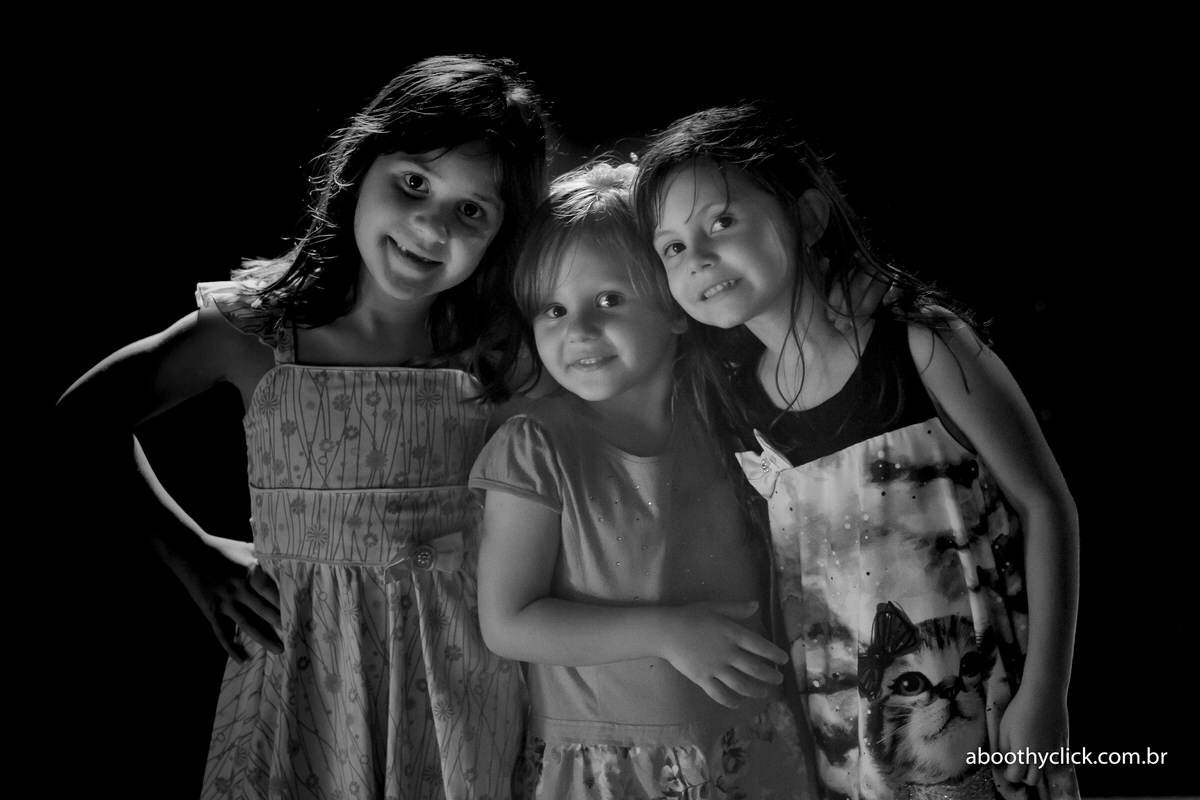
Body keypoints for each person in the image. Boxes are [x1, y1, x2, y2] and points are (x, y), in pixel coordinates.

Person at [56, 55, 547, 800]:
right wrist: (196, 557)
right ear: (360, 167)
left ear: (501, 235)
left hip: (461, 685)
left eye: (471, 211)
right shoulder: (259, 332)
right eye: (414, 183)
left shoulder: (496, 351)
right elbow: (82, 419)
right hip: (303, 682)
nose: (430, 225)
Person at [633, 103, 1081, 800]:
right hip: (846, 747)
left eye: (721, 222)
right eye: (672, 247)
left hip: (989, 713)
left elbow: (1046, 505)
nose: (699, 258)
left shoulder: (922, 345)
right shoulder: (734, 407)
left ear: (808, 218)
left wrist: (1047, 691)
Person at [470, 161, 814, 799]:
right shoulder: (535, 446)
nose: (579, 330)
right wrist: (667, 632)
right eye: (553, 309)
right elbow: (508, 621)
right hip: (609, 763)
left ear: (676, 310)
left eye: (609, 299)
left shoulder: (729, 420)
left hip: (750, 743)